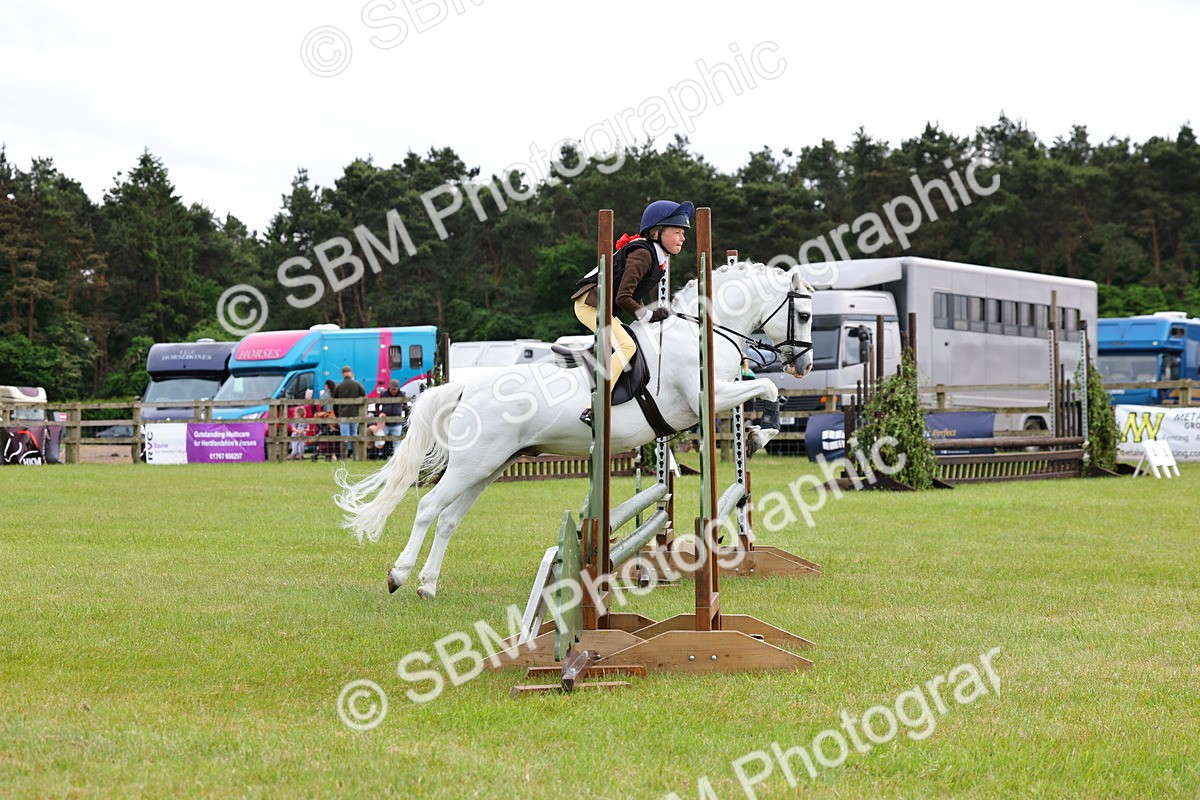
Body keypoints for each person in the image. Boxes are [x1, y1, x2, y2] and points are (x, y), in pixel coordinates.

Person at [571, 200, 693, 396]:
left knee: (634, 339)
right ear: (656, 232)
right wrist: (648, 315)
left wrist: (649, 316)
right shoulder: (643, 255)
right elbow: (623, 298)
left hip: (600, 304)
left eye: (683, 233)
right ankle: (596, 402)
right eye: (677, 232)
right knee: (627, 347)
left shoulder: (652, 255)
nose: (683, 238)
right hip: (590, 304)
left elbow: (634, 295)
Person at [332, 366, 366, 458]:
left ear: (343, 374)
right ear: (351, 373)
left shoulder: (339, 386)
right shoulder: (357, 385)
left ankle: (343, 458)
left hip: (343, 414)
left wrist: (336, 414)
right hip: (355, 413)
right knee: (354, 435)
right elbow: (363, 397)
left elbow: (335, 402)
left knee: (345, 437)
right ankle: (356, 456)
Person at [375, 378, 406, 457]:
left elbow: (405, 405)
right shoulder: (383, 394)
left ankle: (396, 456)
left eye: (394, 389)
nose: (393, 391)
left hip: (397, 422)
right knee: (381, 439)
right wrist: (379, 413)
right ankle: (380, 455)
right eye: (391, 389)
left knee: (396, 441)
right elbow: (377, 405)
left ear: (397, 388)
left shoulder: (402, 394)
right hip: (385, 422)